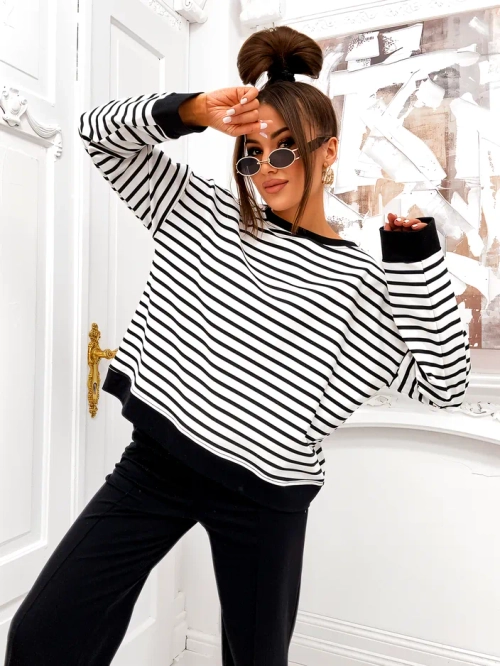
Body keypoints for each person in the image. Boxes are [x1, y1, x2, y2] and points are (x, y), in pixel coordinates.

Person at [3, 25, 470, 666]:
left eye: (285, 149)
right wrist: (193, 111)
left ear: (328, 151)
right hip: (156, 468)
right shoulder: (200, 212)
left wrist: (415, 260)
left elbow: (444, 385)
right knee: (41, 635)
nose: (266, 169)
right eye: (252, 154)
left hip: (265, 499)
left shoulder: (362, 280)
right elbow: (97, 133)